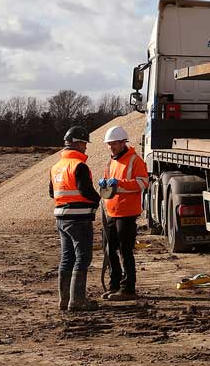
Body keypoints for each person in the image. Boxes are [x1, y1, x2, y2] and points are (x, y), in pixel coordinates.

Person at [49, 126, 101, 312]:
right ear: (77, 143)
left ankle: (65, 300)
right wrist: (98, 198)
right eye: (84, 143)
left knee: (67, 257)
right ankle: (77, 300)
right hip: (79, 218)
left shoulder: (56, 167)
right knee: (82, 257)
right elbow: (85, 190)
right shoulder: (79, 165)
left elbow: (51, 192)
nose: (86, 148)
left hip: (61, 217)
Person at [98, 124, 149, 301]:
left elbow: (143, 183)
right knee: (110, 250)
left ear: (123, 142)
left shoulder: (135, 160)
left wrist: (119, 183)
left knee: (125, 251)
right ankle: (115, 285)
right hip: (111, 211)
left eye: (114, 144)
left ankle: (128, 288)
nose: (111, 147)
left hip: (127, 213)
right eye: (109, 144)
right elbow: (108, 180)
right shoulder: (111, 161)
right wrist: (104, 183)